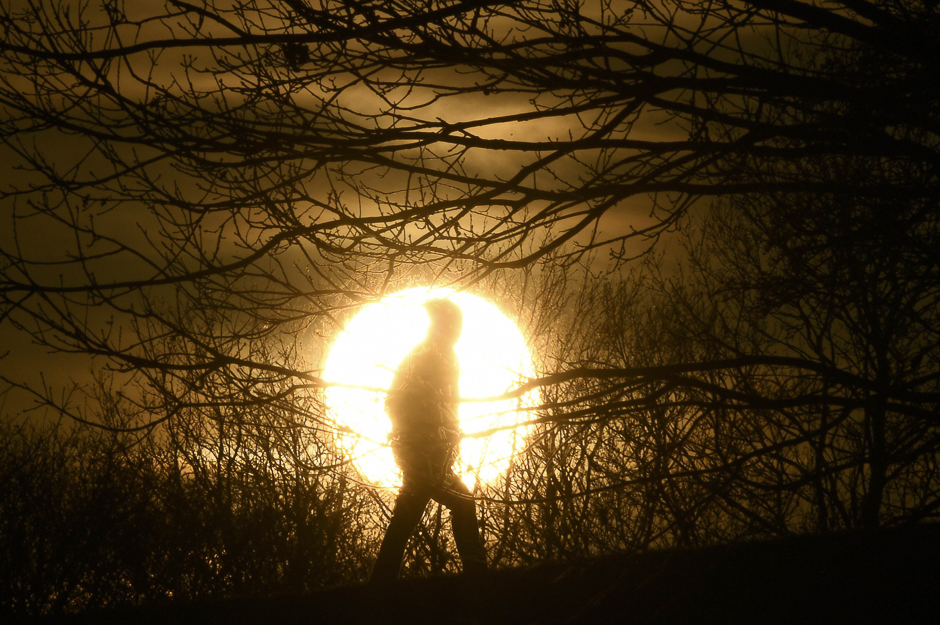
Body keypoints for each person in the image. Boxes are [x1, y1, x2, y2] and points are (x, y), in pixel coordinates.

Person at [370, 298, 488, 583]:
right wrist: (418, 445)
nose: (457, 332)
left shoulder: (446, 357)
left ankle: (379, 584)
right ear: (442, 326)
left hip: (434, 453)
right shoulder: (422, 358)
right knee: (459, 502)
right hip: (422, 452)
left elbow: (451, 407)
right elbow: (394, 404)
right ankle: (479, 577)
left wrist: (450, 441)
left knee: (408, 514)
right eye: (453, 325)